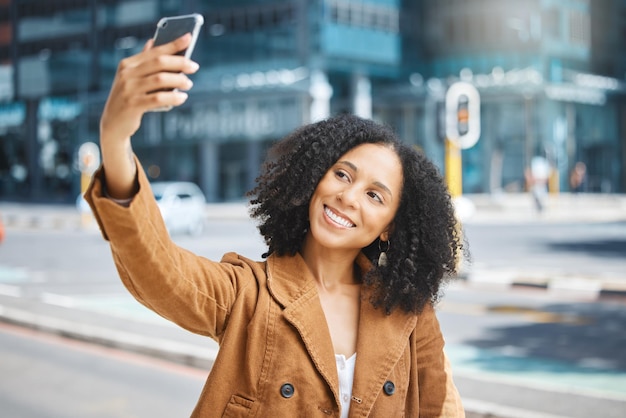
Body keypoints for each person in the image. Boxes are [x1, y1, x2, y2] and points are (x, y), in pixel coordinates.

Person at [85, 33, 466, 417]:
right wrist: (115, 138)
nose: (349, 197)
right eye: (342, 174)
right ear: (315, 178)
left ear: (389, 228)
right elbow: (159, 271)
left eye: (375, 196)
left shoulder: (410, 313)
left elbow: (441, 409)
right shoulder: (250, 294)